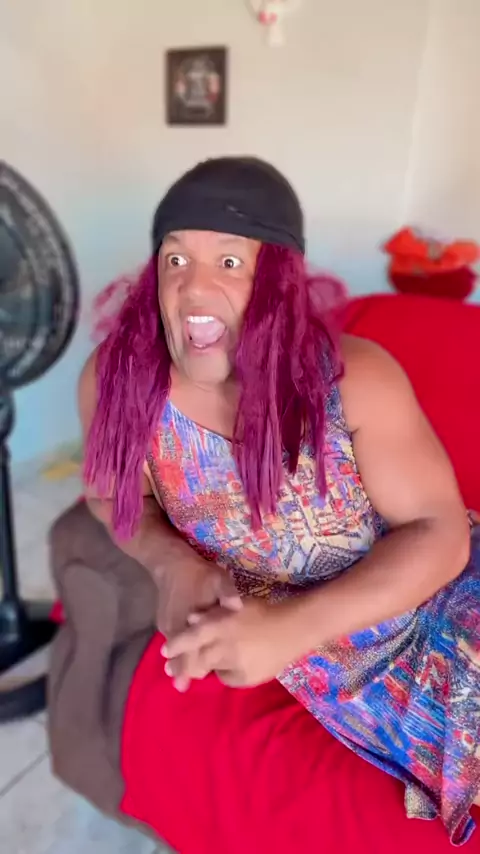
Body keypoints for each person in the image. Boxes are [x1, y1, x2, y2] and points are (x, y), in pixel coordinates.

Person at [80, 156, 479, 846]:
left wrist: (289, 630)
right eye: (175, 258)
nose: (193, 287)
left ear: (277, 281)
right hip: (342, 666)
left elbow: (440, 532)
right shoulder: (119, 382)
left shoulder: (354, 379)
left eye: (230, 262)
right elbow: (108, 498)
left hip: (436, 602)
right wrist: (173, 565)